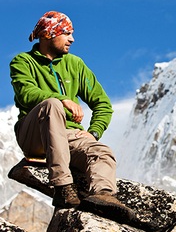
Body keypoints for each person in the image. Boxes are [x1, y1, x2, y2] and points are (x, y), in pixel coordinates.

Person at [10, 11, 121, 209]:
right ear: (48, 35)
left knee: (101, 151)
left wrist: (93, 132)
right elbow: (25, 94)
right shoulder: (22, 62)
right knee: (51, 105)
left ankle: (103, 196)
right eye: (66, 33)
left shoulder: (75, 64)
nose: (72, 39)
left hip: (68, 136)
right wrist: (63, 100)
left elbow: (102, 103)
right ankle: (63, 187)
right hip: (34, 134)